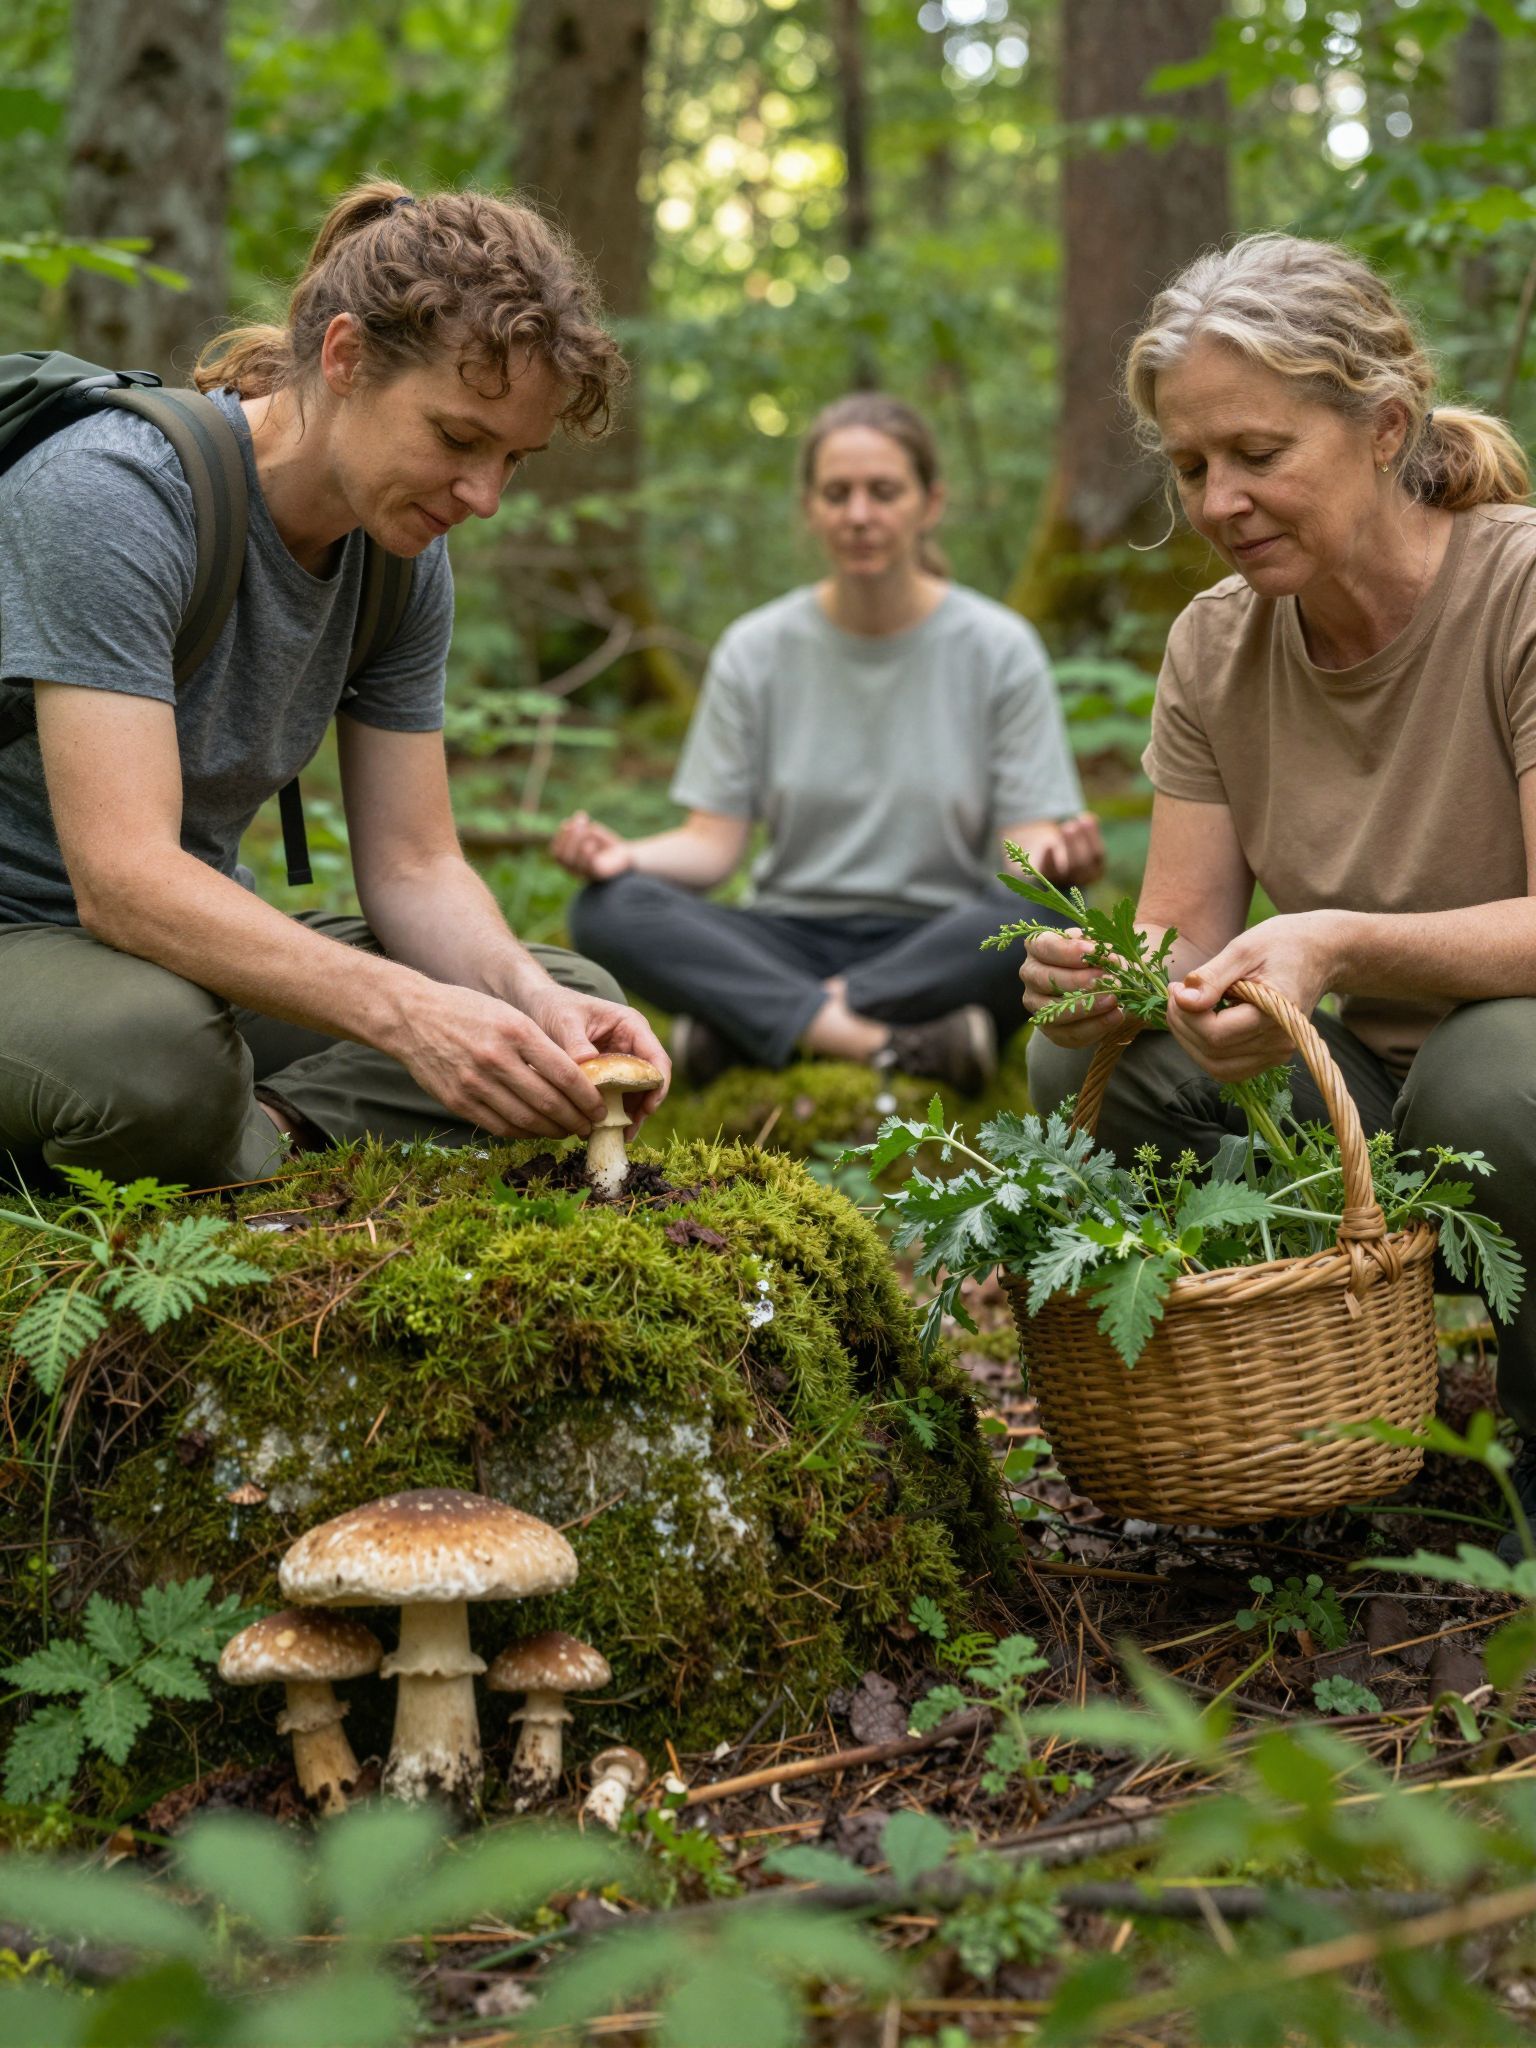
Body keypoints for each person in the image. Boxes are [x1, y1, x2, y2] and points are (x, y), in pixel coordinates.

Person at [1022, 231, 1536, 1556]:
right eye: (1193, 465)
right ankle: (1317, 1417)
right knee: (1084, 1077)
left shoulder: (1517, 590)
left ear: (1384, 427)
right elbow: (1179, 935)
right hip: (1357, 1085)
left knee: (1490, 1078)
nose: (1220, 499)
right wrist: (1109, 980)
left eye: (1260, 454)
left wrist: (1330, 939)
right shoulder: (1214, 643)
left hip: (1505, 1063)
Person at [0, 181, 668, 1191]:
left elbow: (414, 864)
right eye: (456, 438)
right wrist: (407, 1014)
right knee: (159, 1054)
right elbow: (123, 881)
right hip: (46, 945)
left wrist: (524, 994)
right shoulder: (114, 493)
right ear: (345, 357)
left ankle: (262, 1141)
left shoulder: (400, 555)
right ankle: (192, 1138)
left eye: (513, 460)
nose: (482, 496)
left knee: (558, 1008)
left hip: (169, 960)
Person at [551, 393, 1102, 1095]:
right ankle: (886, 1041)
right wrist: (623, 857)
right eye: (837, 494)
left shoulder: (999, 649)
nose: (860, 515)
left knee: (1052, 912)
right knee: (606, 909)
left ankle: (757, 1024)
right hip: (784, 935)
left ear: (930, 503)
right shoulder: (756, 649)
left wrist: (1062, 865)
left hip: (936, 941)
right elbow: (712, 845)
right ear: (809, 508)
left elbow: (1024, 862)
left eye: (884, 492)